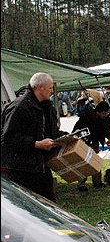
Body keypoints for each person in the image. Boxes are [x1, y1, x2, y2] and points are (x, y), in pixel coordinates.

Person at [1, 73, 68, 202]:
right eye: (50, 88)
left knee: (49, 205)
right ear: (40, 87)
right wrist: (37, 144)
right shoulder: (19, 107)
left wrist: (68, 137)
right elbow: (9, 137)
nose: (52, 91)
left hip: (41, 166)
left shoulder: (47, 108)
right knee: (24, 207)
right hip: (20, 169)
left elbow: (52, 133)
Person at [72, 101, 110, 191]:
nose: (106, 115)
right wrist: (87, 144)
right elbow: (79, 131)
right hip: (84, 139)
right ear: (98, 112)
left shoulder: (106, 118)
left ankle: (97, 182)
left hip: (95, 140)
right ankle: (81, 183)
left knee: (95, 160)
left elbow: (106, 128)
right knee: (83, 161)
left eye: (107, 113)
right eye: (104, 113)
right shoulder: (86, 116)